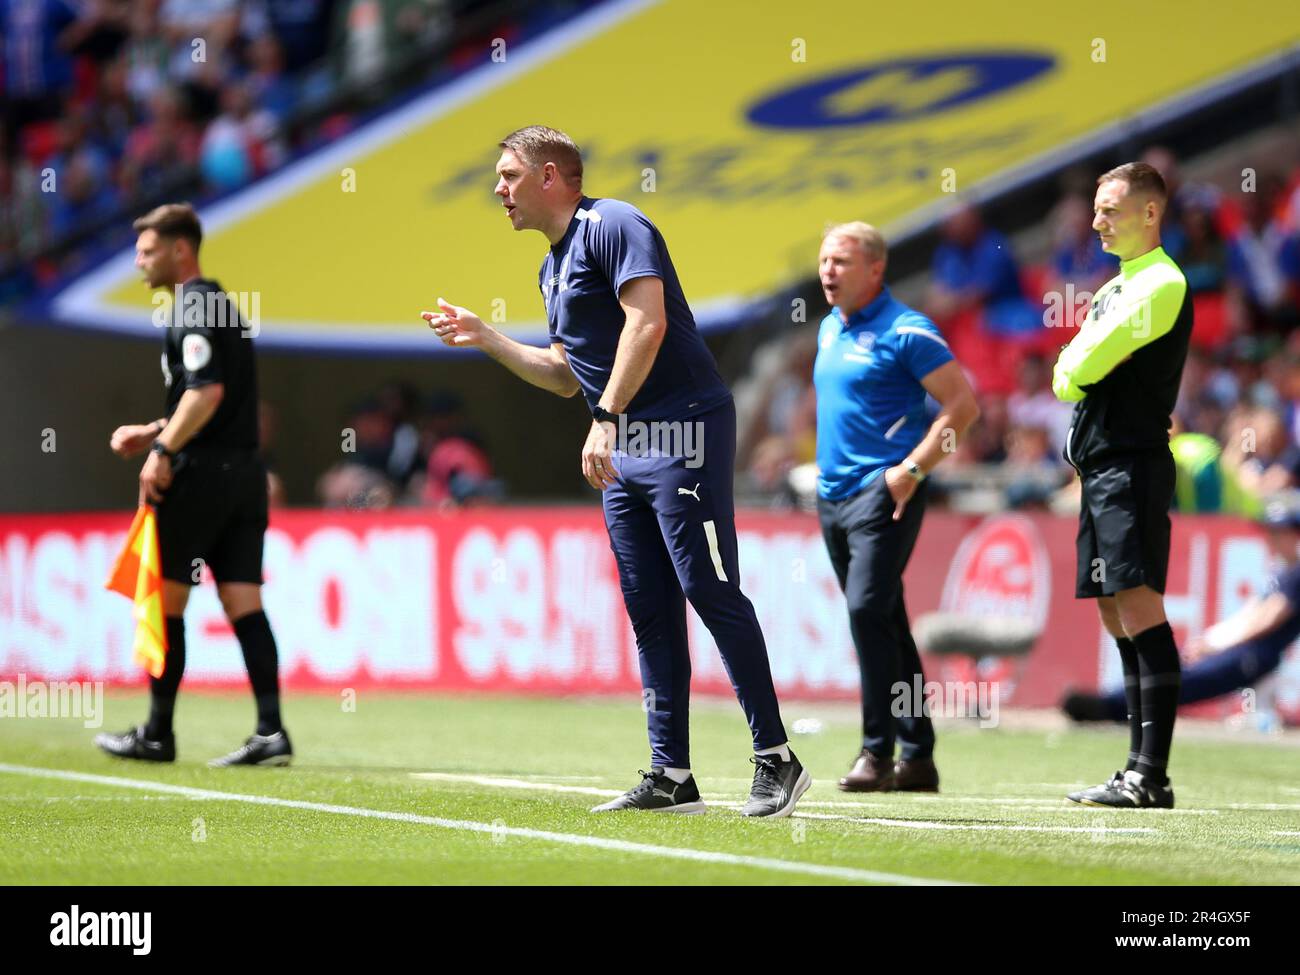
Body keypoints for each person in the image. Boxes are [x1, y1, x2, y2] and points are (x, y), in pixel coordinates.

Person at [422, 125, 808, 817]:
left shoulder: (615, 223)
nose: (498, 190)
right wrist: (486, 337)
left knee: (708, 587)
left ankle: (777, 758)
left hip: (681, 425)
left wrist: (606, 416)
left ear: (550, 176)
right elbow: (567, 374)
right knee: (649, 610)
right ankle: (671, 773)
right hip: (624, 443)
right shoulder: (550, 265)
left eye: (509, 175)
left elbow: (648, 324)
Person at [95, 203, 291, 767]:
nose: (140, 262)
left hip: (200, 477)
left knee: (167, 600)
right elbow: (211, 398)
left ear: (182, 249)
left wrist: (162, 449)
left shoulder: (193, 304)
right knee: (243, 600)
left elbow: (206, 394)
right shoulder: (222, 305)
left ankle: (158, 732)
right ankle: (271, 730)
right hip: (243, 475)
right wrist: (156, 429)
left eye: (149, 251)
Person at [813, 222, 979, 792]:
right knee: (884, 618)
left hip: (883, 495)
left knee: (865, 611)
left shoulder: (908, 330)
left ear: (875, 269)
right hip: (831, 497)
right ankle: (920, 755)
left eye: (841, 261)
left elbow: (962, 407)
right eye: (824, 260)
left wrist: (911, 471)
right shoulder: (829, 329)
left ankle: (875, 752)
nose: (828, 271)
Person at [1053, 162, 1193, 808]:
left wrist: (1078, 363)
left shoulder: (1162, 284)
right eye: (1097, 209)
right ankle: (1135, 767)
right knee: (1116, 608)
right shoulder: (1118, 286)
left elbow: (1081, 364)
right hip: (1102, 468)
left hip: (1131, 463)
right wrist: (1077, 363)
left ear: (1149, 214)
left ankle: (1150, 774)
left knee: (1139, 605)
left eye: (1111, 209)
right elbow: (1072, 366)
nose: (1097, 221)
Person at [1064, 504, 1300, 724]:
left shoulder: (1296, 573)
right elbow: (1250, 614)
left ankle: (1116, 707)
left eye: (1279, 533)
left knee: (1185, 681)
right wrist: (1211, 640)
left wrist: (1217, 645)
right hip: (1245, 649)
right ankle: (1117, 701)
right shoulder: (1281, 572)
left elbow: (1269, 619)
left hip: (1255, 654)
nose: (1272, 539)